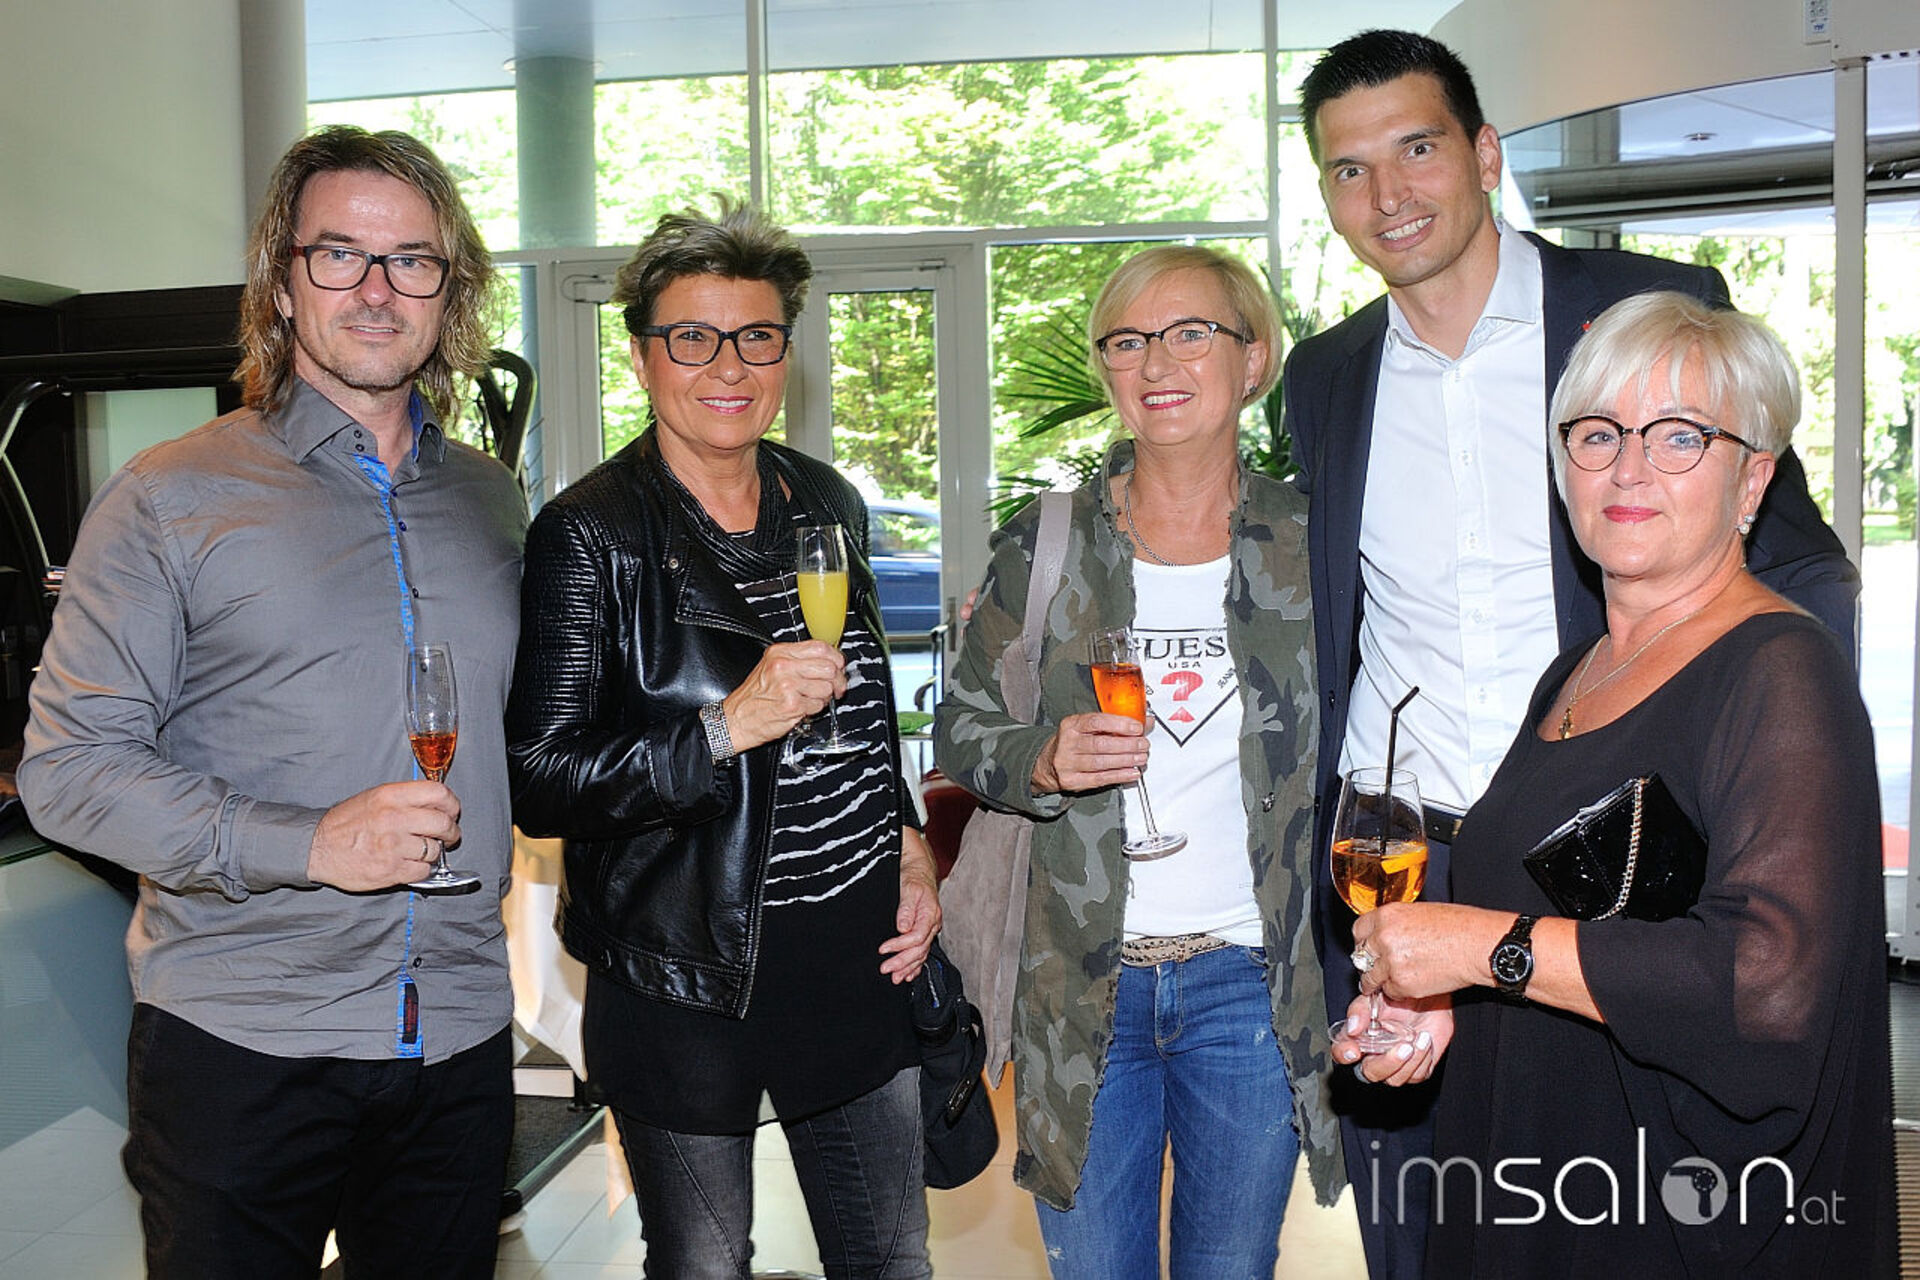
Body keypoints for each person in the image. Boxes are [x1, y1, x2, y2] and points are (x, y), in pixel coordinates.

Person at [1280, 29, 1861, 1276]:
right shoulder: (1324, 377)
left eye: (1419, 148)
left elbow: (1802, 563)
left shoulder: (1644, 314)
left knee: (1621, 1201)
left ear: (1486, 153)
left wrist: (1763, 774)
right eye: (1348, 169)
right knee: (1431, 1216)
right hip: (1403, 852)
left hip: (1619, 853)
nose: (1388, 194)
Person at [18, 126, 526, 1277]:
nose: (378, 288)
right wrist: (308, 841)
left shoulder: (492, 499)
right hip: (243, 1042)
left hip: (456, 1035)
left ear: (449, 293)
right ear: (282, 283)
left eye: (414, 260)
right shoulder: (169, 495)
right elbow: (68, 769)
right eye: (340, 254)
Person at [1333, 291, 1897, 1277]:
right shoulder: (1574, 672)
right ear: (1563, 469)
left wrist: (1484, 948)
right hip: (1534, 1172)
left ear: (1753, 478)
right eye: (1598, 434)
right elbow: (1570, 926)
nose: (1628, 468)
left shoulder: (1780, 673)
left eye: (1680, 436)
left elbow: (1766, 989)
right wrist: (1446, 995)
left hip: (1678, 1216)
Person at [505, 200, 939, 1279]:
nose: (729, 365)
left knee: (891, 1260)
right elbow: (542, 779)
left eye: (757, 336)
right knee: (704, 1267)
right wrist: (724, 727)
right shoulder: (592, 532)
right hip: (683, 973)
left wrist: (907, 838)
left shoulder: (824, 498)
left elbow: (864, 704)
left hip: (852, 953)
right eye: (693, 337)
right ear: (643, 355)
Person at [935, 245, 1340, 1278]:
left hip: (1252, 983)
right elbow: (962, 730)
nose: (1157, 361)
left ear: (1253, 360)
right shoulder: (1047, 542)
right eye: (1127, 340)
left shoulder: (1314, 544)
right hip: (1080, 985)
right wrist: (1043, 756)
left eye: (1190, 332)